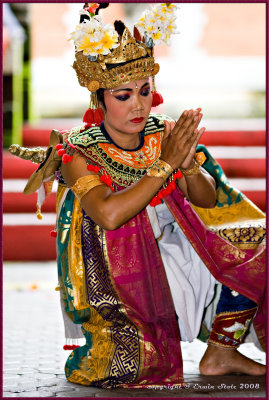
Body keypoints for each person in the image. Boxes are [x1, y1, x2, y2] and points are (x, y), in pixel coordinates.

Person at [10, 3, 266, 388]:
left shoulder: (163, 131)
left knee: (256, 244)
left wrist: (189, 166)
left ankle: (221, 352)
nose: (139, 104)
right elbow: (108, 215)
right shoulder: (76, 152)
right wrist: (165, 165)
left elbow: (209, 202)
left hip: (182, 246)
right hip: (122, 268)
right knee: (136, 367)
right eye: (123, 95)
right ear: (99, 100)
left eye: (145, 91)